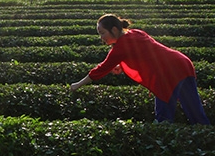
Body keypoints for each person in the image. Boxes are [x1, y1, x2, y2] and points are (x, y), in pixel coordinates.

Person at [70, 14, 210, 125]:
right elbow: (145, 55)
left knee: (164, 117)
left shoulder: (120, 47)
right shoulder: (135, 33)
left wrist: (77, 85)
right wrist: (123, 67)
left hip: (167, 73)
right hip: (182, 64)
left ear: (113, 30)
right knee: (195, 113)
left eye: (102, 33)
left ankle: (164, 152)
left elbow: (101, 69)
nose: (101, 38)